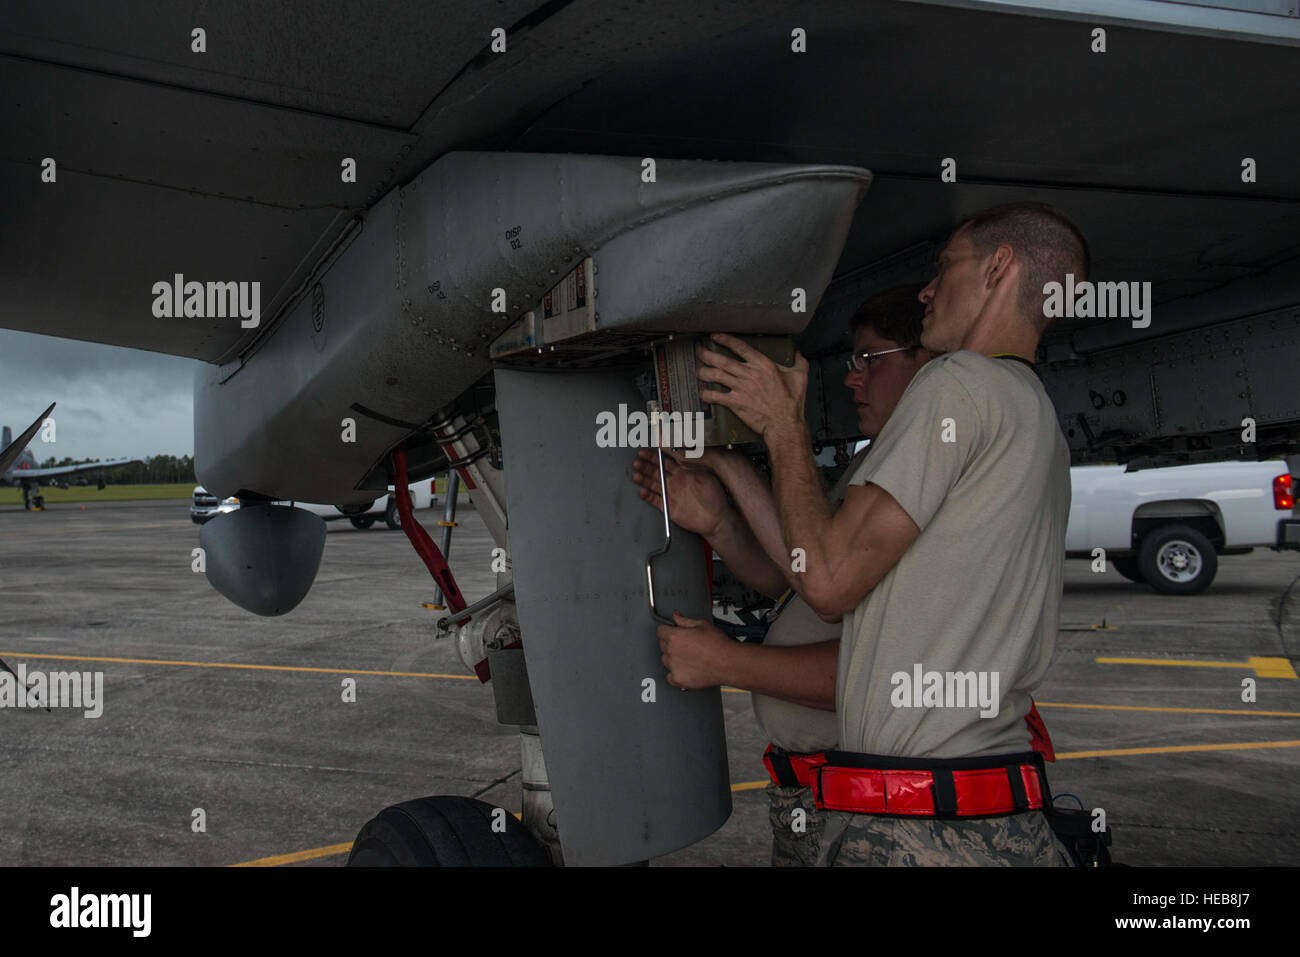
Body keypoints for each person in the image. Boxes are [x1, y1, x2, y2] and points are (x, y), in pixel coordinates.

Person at [688, 202, 1084, 866]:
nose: (929, 288)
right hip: (994, 806)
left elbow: (827, 580)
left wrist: (782, 425)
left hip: (918, 822)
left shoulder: (956, 383)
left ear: (999, 267)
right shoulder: (1031, 409)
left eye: (945, 266)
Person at [631, 284, 934, 865]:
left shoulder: (919, 477)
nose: (852, 378)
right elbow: (805, 584)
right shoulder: (881, 462)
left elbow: (888, 671)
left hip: (878, 808)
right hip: (821, 798)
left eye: (869, 360)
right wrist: (720, 503)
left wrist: (727, 663)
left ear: (929, 365)